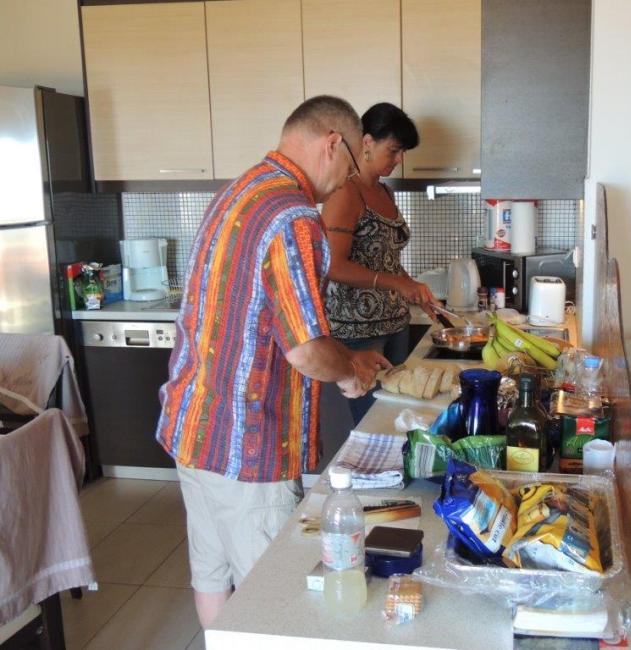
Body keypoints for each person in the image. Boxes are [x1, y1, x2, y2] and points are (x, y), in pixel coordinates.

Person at [154, 96, 390, 627]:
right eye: (352, 165)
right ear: (333, 144)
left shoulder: (239, 191)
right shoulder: (294, 216)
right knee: (272, 601)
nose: (348, 180)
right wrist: (350, 374)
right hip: (248, 446)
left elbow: (269, 322)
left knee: (212, 576)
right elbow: (304, 350)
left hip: (195, 429)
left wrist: (347, 355)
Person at [321, 102, 439, 424]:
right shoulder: (345, 192)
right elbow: (332, 265)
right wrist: (397, 283)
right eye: (394, 150)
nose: (399, 160)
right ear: (367, 142)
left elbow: (387, 260)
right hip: (359, 334)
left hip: (395, 325)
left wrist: (413, 288)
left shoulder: (385, 192)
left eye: (402, 152)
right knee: (373, 422)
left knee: (397, 420)